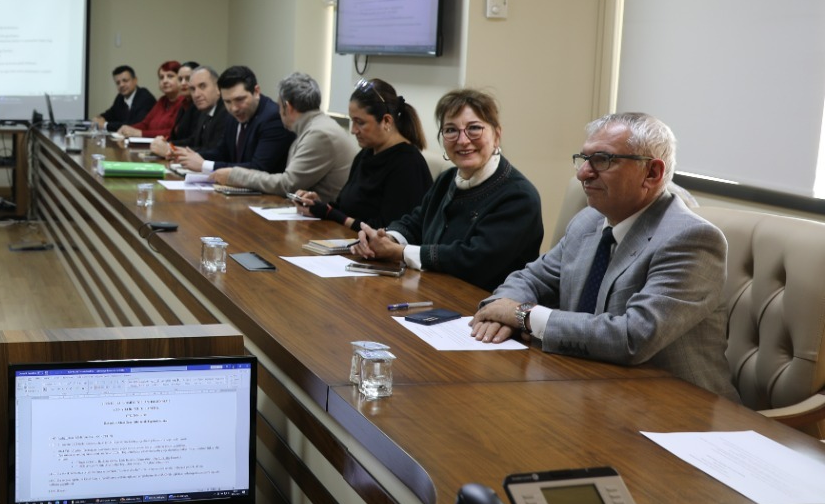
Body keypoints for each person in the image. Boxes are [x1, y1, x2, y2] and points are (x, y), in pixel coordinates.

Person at [471, 113, 738, 398]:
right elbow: (530, 279)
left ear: (652, 173)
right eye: (584, 159)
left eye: (602, 160)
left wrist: (522, 315)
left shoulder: (691, 239)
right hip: (588, 386)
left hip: (677, 406)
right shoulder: (588, 221)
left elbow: (632, 337)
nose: (583, 173)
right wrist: (499, 311)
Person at [354, 88, 543, 291]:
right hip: (434, 290)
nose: (463, 140)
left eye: (474, 128)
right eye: (451, 130)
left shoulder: (519, 197)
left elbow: (474, 260)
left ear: (497, 135)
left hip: (486, 303)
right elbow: (416, 223)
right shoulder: (447, 179)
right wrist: (385, 238)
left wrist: (400, 252)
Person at [295, 78, 433, 232]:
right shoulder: (366, 154)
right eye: (352, 121)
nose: (353, 130)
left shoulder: (407, 164)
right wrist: (319, 205)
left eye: (360, 122)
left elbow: (388, 231)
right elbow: (345, 208)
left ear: (387, 121)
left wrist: (330, 213)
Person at [212, 72, 357, 198]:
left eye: (279, 106)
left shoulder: (319, 134)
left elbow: (288, 184)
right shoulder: (315, 127)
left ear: (287, 107)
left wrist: (234, 175)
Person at [170, 65, 291, 174]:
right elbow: (222, 152)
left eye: (240, 99)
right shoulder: (233, 115)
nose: (233, 108)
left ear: (256, 91)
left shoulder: (273, 117)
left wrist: (204, 165)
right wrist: (189, 157)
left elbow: (258, 168)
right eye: (227, 101)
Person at [155, 65, 229, 158]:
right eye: (193, 89)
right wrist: (168, 144)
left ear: (218, 88)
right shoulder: (204, 111)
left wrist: (171, 151)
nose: (196, 94)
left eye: (202, 86)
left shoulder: (227, 113)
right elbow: (193, 141)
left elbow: (214, 152)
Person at [117, 60, 189, 140]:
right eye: (161, 77)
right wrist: (128, 129)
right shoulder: (162, 100)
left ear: (180, 79)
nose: (164, 81)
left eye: (170, 76)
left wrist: (141, 133)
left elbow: (174, 133)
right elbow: (145, 124)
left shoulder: (185, 103)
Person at [96, 65, 154, 131]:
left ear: (135, 80)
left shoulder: (145, 97)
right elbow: (110, 114)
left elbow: (135, 125)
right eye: (118, 83)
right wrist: (99, 118)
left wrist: (105, 125)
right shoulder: (120, 97)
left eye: (125, 80)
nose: (121, 85)